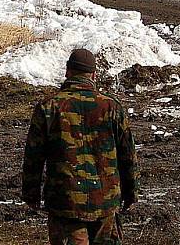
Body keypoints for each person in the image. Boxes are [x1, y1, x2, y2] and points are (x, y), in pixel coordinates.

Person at [22, 49, 139, 245]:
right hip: (106, 201)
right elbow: (128, 154)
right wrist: (131, 193)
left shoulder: (49, 107)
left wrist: (31, 193)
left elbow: (33, 156)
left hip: (65, 202)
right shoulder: (111, 107)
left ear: (67, 71)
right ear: (94, 75)